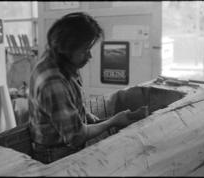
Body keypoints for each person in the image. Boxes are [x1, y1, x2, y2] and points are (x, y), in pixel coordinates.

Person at [28, 12, 149, 164]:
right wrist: (112, 122)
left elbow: (73, 104)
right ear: (68, 48)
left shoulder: (64, 63)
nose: (90, 56)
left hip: (66, 147)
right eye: (85, 50)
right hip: (56, 155)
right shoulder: (53, 82)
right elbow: (76, 137)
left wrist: (94, 119)